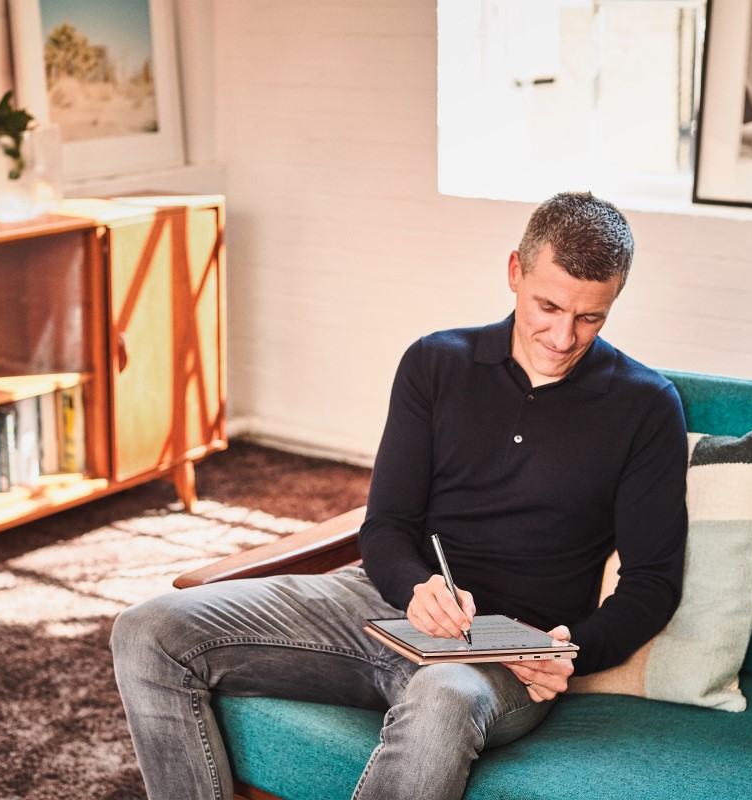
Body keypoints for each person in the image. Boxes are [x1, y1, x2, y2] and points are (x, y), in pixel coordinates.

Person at [111, 191, 688, 800]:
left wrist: (567, 652)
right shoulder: (435, 363)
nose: (564, 336)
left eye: (591, 317)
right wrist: (416, 588)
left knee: (443, 695)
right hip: (379, 606)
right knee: (148, 630)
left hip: (503, 656)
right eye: (548, 306)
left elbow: (653, 582)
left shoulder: (645, 406)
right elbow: (386, 523)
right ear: (515, 271)